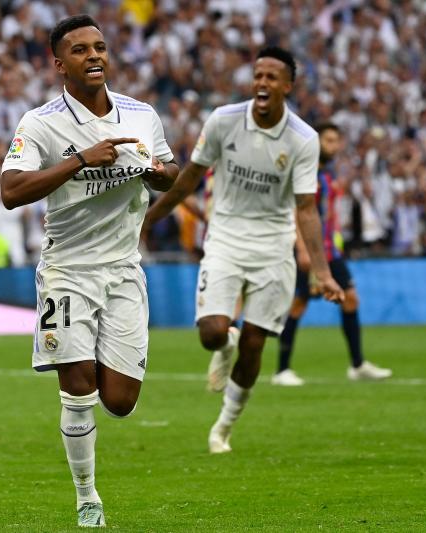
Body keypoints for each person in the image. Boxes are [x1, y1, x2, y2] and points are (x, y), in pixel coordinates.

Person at [0, 15, 178, 527]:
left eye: (99, 47)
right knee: (78, 386)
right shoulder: (40, 123)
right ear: (60, 64)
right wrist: (79, 160)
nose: (93, 55)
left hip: (123, 270)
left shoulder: (141, 114)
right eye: (79, 50)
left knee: (119, 402)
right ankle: (87, 499)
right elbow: (11, 192)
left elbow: (171, 174)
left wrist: (156, 171)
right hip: (68, 271)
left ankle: (86, 362)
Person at [144, 46, 344, 454]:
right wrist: (148, 218)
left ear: (287, 86)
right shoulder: (223, 121)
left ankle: (223, 426)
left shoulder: (304, 140)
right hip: (226, 239)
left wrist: (322, 274)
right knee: (212, 333)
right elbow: (188, 180)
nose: (262, 83)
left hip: (273, 246)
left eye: (272, 77)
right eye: (258, 75)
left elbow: (306, 209)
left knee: (256, 341)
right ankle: (223, 346)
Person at [273, 123, 392, 386]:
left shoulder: (325, 174)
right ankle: (282, 370)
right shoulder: (305, 172)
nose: (334, 146)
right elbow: (297, 211)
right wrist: (302, 250)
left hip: (330, 250)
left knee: (350, 298)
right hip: (309, 250)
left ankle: (358, 365)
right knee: (298, 304)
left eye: (336, 141)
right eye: (328, 140)